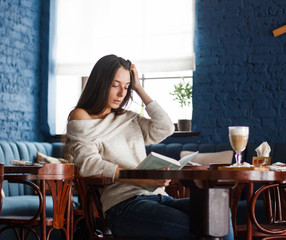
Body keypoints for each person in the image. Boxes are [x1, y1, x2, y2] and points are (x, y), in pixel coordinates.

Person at [65, 54, 234, 240]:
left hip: (160, 198)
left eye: (127, 86)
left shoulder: (128, 118)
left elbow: (166, 128)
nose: (122, 93)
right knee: (200, 227)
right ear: (100, 83)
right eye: (115, 85)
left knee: (220, 213)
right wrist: (140, 179)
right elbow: (89, 165)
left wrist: (139, 88)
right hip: (123, 206)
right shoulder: (81, 116)